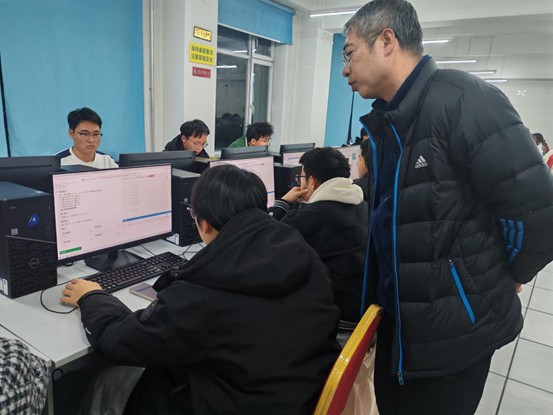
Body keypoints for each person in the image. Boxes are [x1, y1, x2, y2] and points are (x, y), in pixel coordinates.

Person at [342, 1, 553, 414]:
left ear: (386, 40)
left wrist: (509, 274)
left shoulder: (466, 102)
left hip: (453, 336)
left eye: (349, 54)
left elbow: (539, 213)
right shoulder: (387, 123)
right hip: (401, 325)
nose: (346, 70)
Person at [60, 164, 340, 415]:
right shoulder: (300, 251)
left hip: (235, 402)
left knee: (105, 382)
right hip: (298, 393)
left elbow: (120, 341)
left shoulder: (209, 288)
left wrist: (91, 296)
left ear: (203, 223)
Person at [268, 147, 368, 324]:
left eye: (302, 177)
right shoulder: (363, 206)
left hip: (333, 316)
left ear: (312, 182)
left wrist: (282, 202)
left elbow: (266, 243)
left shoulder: (310, 216)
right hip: (360, 310)